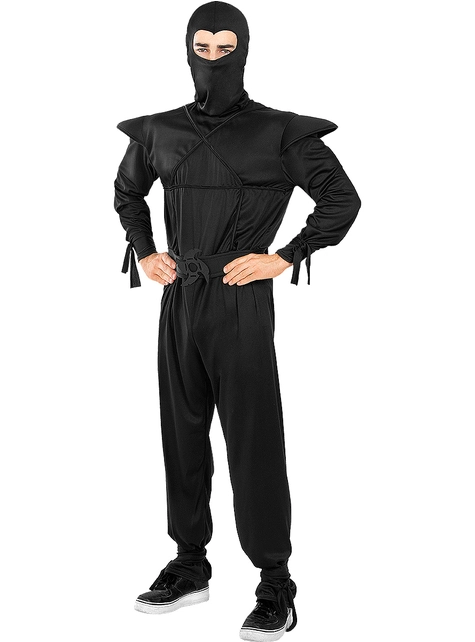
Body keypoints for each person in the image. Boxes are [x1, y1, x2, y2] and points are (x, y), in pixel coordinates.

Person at [113, 2, 361, 639]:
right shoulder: (159, 131)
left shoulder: (279, 132)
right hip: (180, 296)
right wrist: (146, 251)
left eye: (226, 48)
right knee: (181, 433)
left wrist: (286, 255)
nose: (214, 59)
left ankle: (275, 580)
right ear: (186, 50)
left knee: (253, 437)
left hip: (240, 298)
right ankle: (190, 563)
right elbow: (127, 192)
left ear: (244, 51)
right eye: (202, 47)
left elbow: (342, 199)